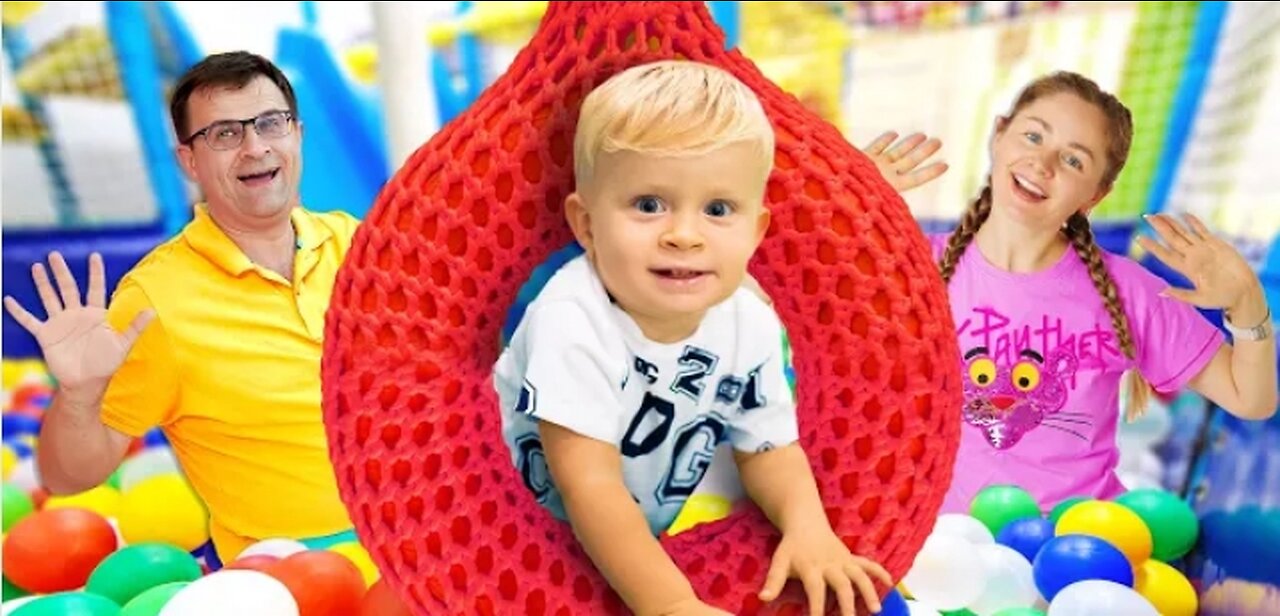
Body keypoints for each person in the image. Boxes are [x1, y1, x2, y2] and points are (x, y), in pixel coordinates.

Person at [493, 60, 893, 616]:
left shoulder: (746, 321)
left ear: (756, 231)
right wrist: (673, 603)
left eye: (717, 209)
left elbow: (769, 447)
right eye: (649, 205)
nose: (683, 236)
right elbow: (589, 486)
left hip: (635, 541)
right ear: (586, 225)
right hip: (511, 538)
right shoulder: (572, 317)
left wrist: (809, 528)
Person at [3, 51, 361, 564]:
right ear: (189, 161)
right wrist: (80, 394)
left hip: (428, 537)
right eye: (224, 134)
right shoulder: (156, 300)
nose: (255, 147)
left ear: (297, 134)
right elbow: (67, 477)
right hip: (302, 574)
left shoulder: (357, 244)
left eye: (269, 123)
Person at [929, 70, 1277, 514]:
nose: (1043, 164)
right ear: (999, 135)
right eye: (1033, 136)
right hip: (942, 546)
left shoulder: (1127, 291)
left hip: (1071, 550)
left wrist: (1249, 303)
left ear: (1096, 194)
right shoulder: (915, 265)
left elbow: (1251, 399)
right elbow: (817, 329)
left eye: (1074, 161)